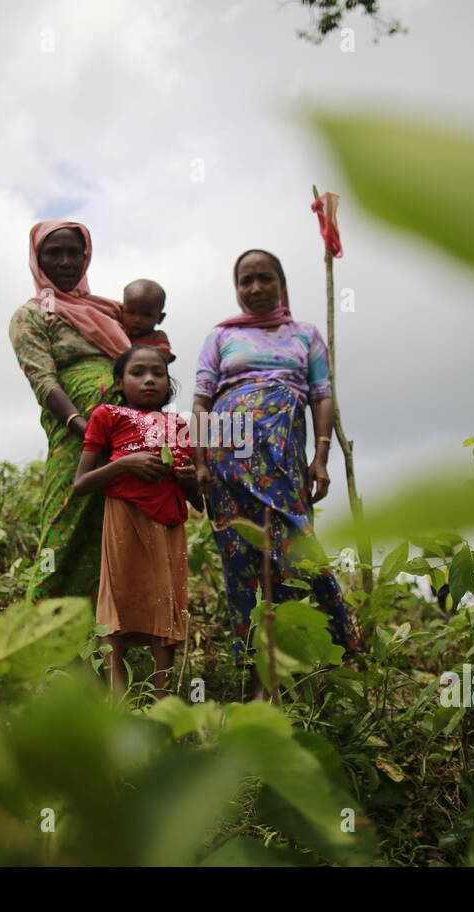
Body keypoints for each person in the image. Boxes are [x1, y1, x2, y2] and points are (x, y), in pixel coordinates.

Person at [192, 249, 360, 699]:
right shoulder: (221, 336)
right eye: (245, 281)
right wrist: (201, 460)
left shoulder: (304, 335)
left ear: (281, 282)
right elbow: (202, 401)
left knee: (293, 552)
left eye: (264, 278)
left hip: (281, 460)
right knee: (241, 560)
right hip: (228, 459)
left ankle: (316, 662)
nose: (254, 288)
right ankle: (256, 679)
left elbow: (322, 395)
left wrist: (320, 457)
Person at [9, 220, 133, 601]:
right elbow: (44, 382)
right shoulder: (31, 316)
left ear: (86, 257)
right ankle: (37, 636)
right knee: (64, 529)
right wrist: (88, 429)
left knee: (117, 535)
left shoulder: (112, 313)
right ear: (38, 259)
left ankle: (103, 645)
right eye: (53, 253)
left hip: (128, 441)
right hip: (76, 440)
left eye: (73, 253)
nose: (64, 261)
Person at [73, 346, 202, 698]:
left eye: (158, 373)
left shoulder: (177, 425)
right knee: (118, 601)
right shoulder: (107, 415)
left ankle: (160, 698)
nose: (149, 379)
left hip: (170, 524)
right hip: (123, 518)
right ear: (119, 381)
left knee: (167, 604)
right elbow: (81, 483)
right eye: (138, 372)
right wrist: (124, 465)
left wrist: (189, 479)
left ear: (168, 383)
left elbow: (199, 499)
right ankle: (118, 698)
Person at [121, 279, 175, 364]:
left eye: (147, 315)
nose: (137, 320)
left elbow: (161, 360)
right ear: (121, 310)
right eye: (131, 312)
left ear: (160, 318)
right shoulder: (119, 331)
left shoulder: (157, 337)